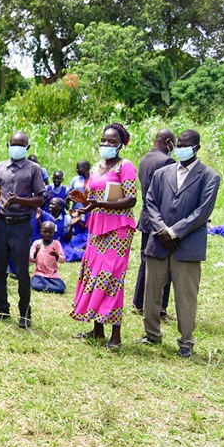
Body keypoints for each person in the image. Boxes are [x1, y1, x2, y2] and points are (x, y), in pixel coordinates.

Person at [140, 129, 221, 357]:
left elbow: (202, 212)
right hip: (159, 241)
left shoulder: (209, 176)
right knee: (151, 291)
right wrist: (162, 230)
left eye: (186, 145)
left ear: (197, 148)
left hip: (187, 244)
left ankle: (186, 342)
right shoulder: (162, 173)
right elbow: (150, 202)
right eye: (179, 144)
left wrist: (175, 232)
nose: (181, 148)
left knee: (186, 295)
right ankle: (151, 333)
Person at [70, 123, 138, 349]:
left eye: (111, 141)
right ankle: (97, 330)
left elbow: (131, 199)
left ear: (120, 144)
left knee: (112, 279)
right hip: (96, 228)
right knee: (94, 276)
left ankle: (115, 335)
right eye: (103, 140)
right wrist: (83, 204)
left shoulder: (125, 166)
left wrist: (101, 204)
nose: (106, 144)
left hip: (118, 230)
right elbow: (93, 197)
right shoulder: (96, 167)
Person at [0, 132, 46, 328]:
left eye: (21, 145)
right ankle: (2, 309)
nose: (16, 148)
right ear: (7, 145)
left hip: (22, 223)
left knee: (21, 271)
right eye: (13, 144)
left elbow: (40, 198)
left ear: (27, 147)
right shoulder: (0, 167)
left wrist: (19, 200)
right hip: (2, 222)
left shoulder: (33, 169)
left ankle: (25, 313)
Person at [131, 129, 176, 316]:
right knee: (165, 264)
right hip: (161, 219)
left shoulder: (145, 159)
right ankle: (160, 308)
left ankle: (138, 303)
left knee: (145, 261)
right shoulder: (167, 162)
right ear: (168, 142)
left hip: (146, 218)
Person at [30, 221, 67, 293]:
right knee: (35, 285)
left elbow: (62, 260)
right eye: (45, 232)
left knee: (61, 288)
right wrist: (36, 251)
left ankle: (46, 286)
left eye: (50, 232)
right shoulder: (37, 243)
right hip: (39, 274)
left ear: (54, 232)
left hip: (52, 275)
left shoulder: (56, 244)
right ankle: (48, 286)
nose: (47, 234)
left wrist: (56, 255)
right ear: (41, 231)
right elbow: (31, 260)